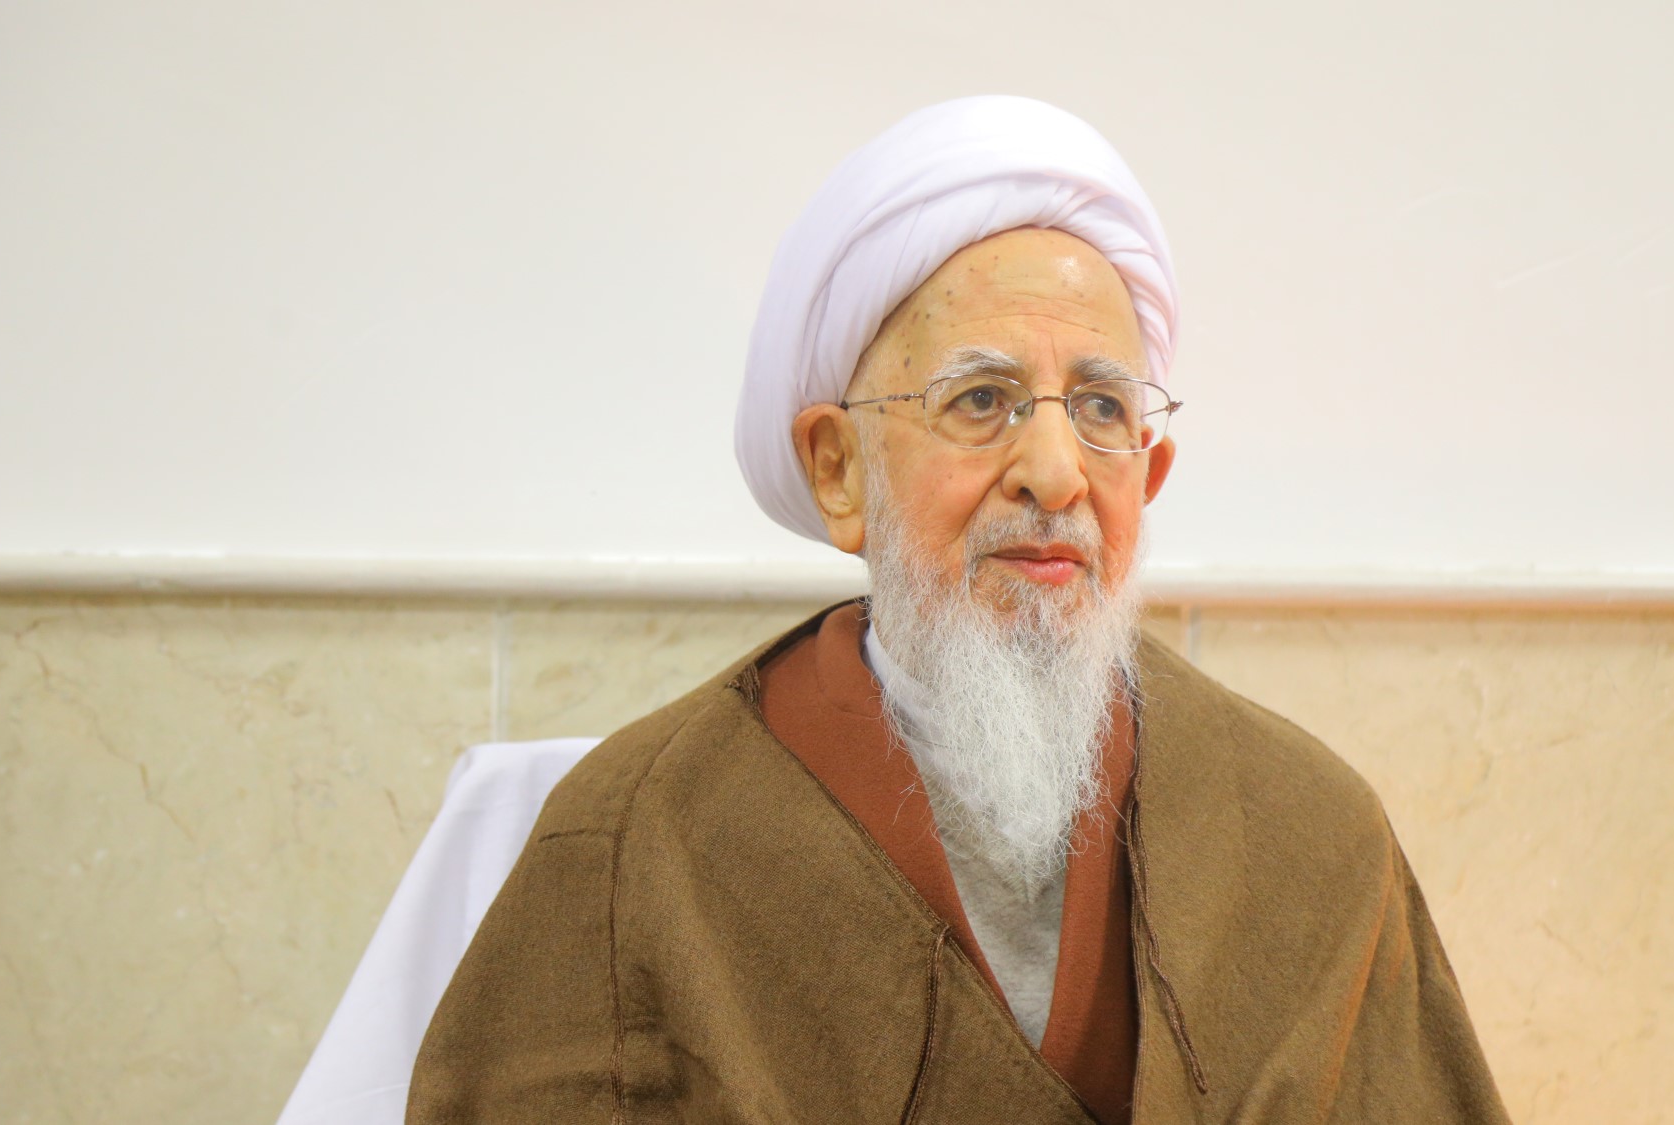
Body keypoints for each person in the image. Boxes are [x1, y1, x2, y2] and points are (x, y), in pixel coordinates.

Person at [406, 96, 1509, 1124]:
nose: (1055, 473)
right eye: (981, 399)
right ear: (840, 469)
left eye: (1101, 408)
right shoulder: (634, 841)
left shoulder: (1309, 836)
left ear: (1149, 475)